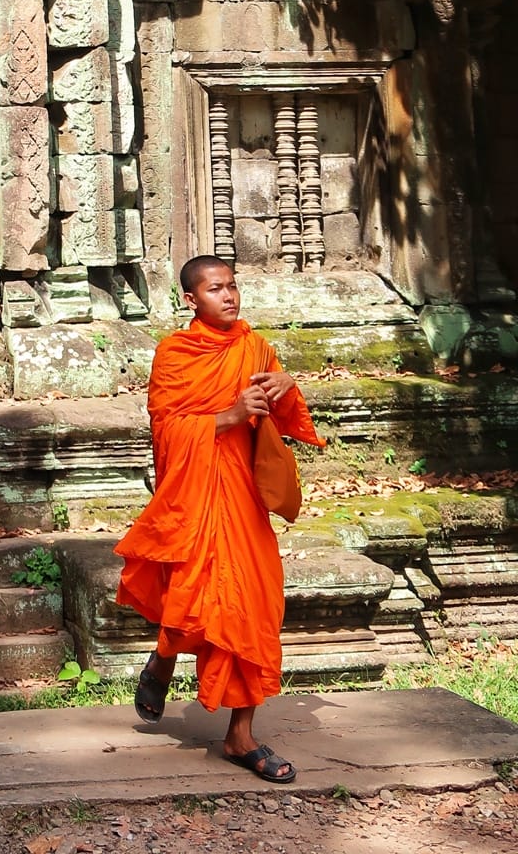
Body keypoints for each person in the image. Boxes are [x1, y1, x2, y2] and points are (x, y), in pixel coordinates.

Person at [114, 255, 323, 784]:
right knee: (194, 597)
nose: (228, 296)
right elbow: (166, 429)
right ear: (192, 299)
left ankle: (240, 737)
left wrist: (285, 384)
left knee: (254, 602)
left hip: (244, 498)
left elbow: (285, 421)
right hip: (197, 497)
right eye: (215, 289)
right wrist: (228, 415)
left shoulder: (255, 347)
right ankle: (164, 657)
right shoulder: (175, 352)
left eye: (233, 286)